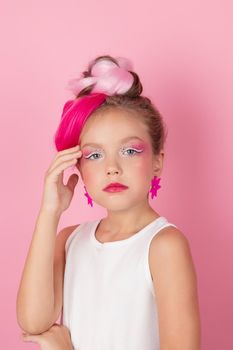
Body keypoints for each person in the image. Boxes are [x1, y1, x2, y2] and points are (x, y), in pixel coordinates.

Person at [16, 55, 201, 350]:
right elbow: (33, 322)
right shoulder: (69, 241)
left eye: (129, 151)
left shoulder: (164, 245)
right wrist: (50, 211)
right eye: (94, 155)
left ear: (157, 161)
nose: (112, 167)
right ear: (78, 167)